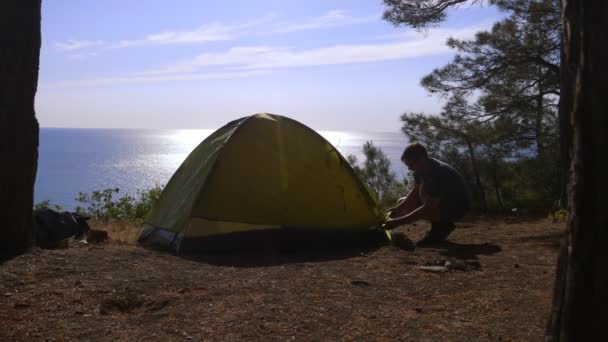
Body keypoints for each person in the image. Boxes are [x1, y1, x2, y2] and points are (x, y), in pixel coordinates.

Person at [382, 143, 469, 245]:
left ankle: (441, 227)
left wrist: (397, 222)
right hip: (441, 203)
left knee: (426, 195)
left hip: (457, 209)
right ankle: (441, 225)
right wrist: (397, 209)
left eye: (410, 165)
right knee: (403, 201)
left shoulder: (439, 172)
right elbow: (414, 193)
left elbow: (428, 207)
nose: (409, 169)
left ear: (422, 159)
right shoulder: (421, 169)